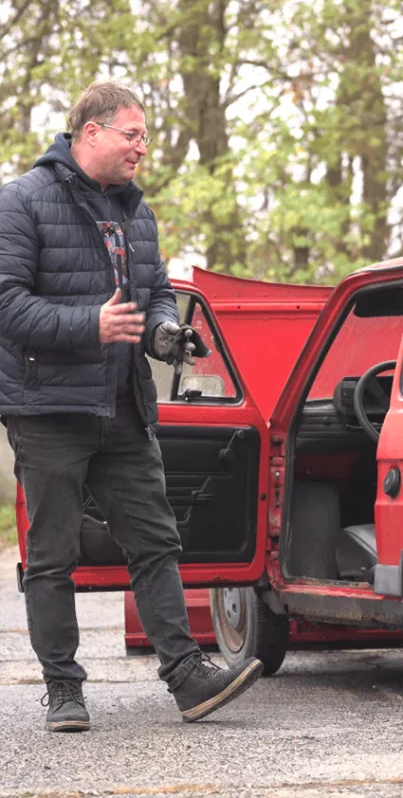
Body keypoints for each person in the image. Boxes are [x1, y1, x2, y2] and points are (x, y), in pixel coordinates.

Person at [0, 81, 263, 732]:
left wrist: (165, 333)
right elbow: (6, 303)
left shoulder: (135, 213)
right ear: (90, 132)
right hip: (48, 410)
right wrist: (86, 325)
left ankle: (187, 676)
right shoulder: (22, 202)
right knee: (54, 554)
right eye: (132, 133)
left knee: (155, 541)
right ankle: (64, 688)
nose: (142, 146)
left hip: (124, 408)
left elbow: (155, 295)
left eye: (144, 135)